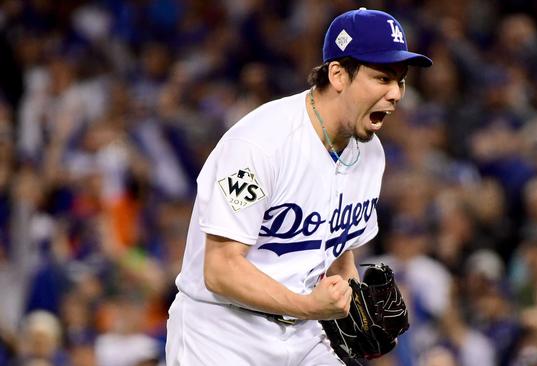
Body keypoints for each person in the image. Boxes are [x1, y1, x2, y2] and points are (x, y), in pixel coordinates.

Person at [165, 7, 432, 365]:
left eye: (400, 80)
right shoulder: (257, 145)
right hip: (222, 333)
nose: (397, 93)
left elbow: (336, 248)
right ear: (338, 74)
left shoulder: (370, 153)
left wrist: (353, 301)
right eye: (382, 78)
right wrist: (309, 307)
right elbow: (220, 268)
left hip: (305, 332)